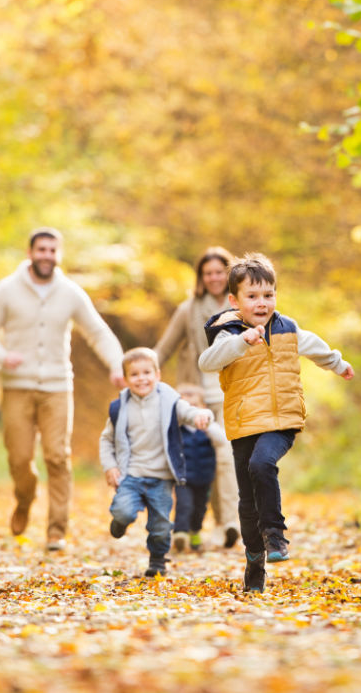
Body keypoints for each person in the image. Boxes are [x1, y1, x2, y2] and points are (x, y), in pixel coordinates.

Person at [198, 253, 354, 593]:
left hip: (282, 420)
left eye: (268, 295)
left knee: (262, 464)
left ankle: (275, 535)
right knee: (246, 500)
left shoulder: (287, 329)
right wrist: (240, 342)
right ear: (234, 301)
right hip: (244, 423)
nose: (262, 303)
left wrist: (338, 364)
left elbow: (315, 346)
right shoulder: (228, 333)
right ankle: (255, 558)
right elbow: (207, 362)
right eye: (252, 296)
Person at [0, 227, 126, 553]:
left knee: (57, 456)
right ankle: (24, 499)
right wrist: (2, 355)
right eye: (41, 249)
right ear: (30, 252)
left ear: (59, 255)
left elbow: (98, 332)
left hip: (58, 387)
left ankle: (56, 531)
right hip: (17, 386)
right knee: (19, 458)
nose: (46, 255)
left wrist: (117, 365)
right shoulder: (7, 290)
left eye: (52, 250)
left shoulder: (70, 293)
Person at [100, 348, 213, 578]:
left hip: (161, 477)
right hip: (131, 474)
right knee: (123, 511)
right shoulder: (119, 408)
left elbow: (189, 412)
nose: (141, 378)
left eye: (147, 373)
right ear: (125, 379)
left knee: (160, 525)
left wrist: (203, 416)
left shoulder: (170, 402)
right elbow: (106, 439)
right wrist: (110, 466)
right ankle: (120, 522)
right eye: (134, 374)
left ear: (157, 375)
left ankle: (158, 560)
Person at [154, 246, 240, 548]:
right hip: (196, 398)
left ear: (229, 274)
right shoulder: (188, 309)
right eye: (208, 273)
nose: (214, 278)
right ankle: (194, 525)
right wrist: (140, 374)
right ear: (201, 277)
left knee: (226, 457)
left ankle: (229, 523)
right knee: (199, 462)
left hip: (231, 394)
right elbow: (164, 348)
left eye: (219, 272)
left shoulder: (242, 307)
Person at [171, 384, 221, 554]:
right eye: (187, 407)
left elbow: (222, 441)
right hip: (183, 478)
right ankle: (180, 533)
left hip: (205, 477)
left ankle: (195, 531)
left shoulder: (209, 429)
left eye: (195, 406)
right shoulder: (177, 429)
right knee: (184, 505)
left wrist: (207, 425)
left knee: (200, 508)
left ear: (203, 407)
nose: (191, 412)